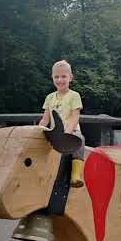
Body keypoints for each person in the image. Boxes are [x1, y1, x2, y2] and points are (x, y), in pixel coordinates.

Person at [39, 60, 85, 188]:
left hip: (71, 132)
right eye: (56, 77)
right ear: (52, 78)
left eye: (63, 76)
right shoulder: (49, 97)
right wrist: (38, 130)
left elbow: (75, 116)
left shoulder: (74, 96)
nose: (60, 80)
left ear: (70, 78)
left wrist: (67, 133)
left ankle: (75, 175)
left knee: (80, 140)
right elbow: (45, 119)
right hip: (55, 133)